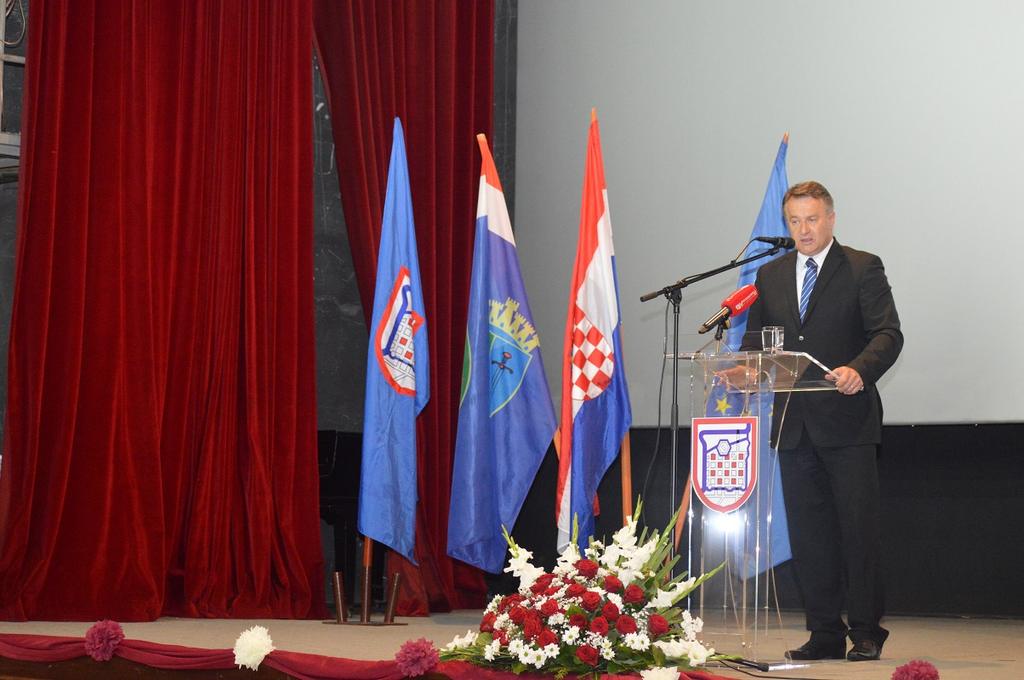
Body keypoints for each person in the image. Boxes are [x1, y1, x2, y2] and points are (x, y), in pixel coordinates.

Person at [740, 181, 903, 662]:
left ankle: (867, 631)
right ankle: (825, 631)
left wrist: (859, 369)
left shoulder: (861, 267)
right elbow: (755, 343)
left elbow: (887, 333)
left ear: (831, 218)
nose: (804, 229)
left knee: (857, 532)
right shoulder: (770, 274)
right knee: (810, 537)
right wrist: (744, 370)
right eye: (795, 221)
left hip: (847, 422)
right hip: (793, 425)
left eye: (812, 219)